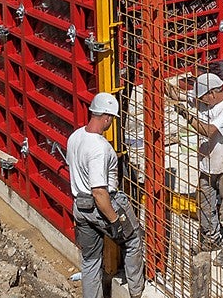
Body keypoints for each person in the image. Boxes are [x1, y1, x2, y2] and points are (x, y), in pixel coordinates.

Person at [67, 92, 145, 298]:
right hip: (100, 206)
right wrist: (114, 220)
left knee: (90, 261)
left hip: (80, 207)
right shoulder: (99, 148)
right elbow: (99, 192)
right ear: (107, 117)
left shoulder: (75, 137)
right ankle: (136, 292)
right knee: (133, 239)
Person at [178, 72, 223, 267]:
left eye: (202, 98)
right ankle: (211, 239)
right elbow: (176, 94)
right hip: (208, 166)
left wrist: (187, 115)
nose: (199, 102)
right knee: (205, 205)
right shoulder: (203, 99)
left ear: (213, 93)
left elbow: (208, 131)